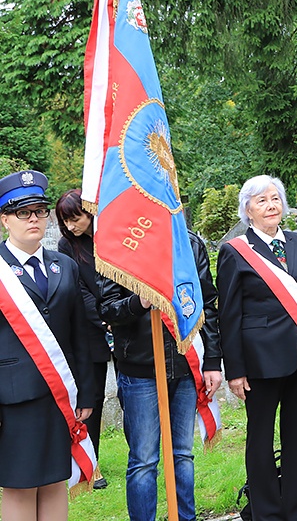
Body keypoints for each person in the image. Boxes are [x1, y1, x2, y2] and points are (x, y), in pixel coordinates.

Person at [217, 175, 297, 521]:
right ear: (248, 211)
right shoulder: (235, 251)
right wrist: (235, 371)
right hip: (260, 363)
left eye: (275, 199)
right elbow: (229, 315)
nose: (270, 205)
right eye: (261, 201)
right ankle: (266, 511)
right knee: (260, 440)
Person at [100, 229, 222, 521]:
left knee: (182, 454)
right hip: (140, 368)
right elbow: (106, 308)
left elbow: (207, 304)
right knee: (144, 459)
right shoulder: (119, 241)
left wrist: (213, 360)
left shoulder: (190, 243)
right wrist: (137, 303)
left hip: (184, 365)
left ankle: (185, 517)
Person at [0, 170, 94, 521]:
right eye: (23, 212)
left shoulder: (64, 266)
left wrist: (85, 395)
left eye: (39, 210)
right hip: (13, 399)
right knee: (20, 486)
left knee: (56, 480)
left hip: (60, 397)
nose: (34, 219)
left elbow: (79, 336)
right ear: (5, 219)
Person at [55, 188, 112, 490]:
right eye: (65, 221)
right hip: (93, 329)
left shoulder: (113, 232)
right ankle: (91, 463)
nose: (71, 226)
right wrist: (104, 320)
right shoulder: (67, 246)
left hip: (125, 321)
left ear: (88, 211)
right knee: (92, 398)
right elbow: (80, 290)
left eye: (74, 219)